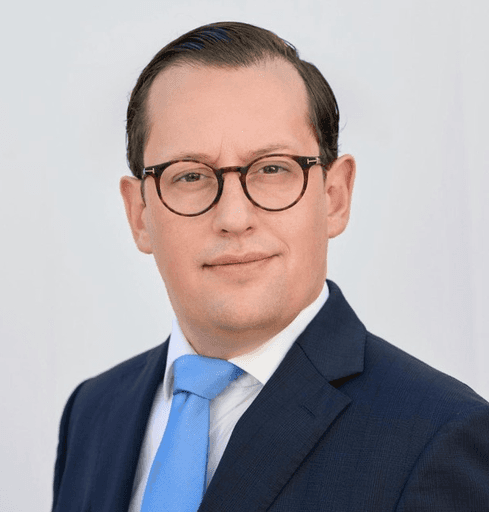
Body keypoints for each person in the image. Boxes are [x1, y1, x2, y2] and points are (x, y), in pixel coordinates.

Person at [52, 22, 489, 512]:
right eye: (190, 176)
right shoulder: (92, 412)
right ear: (139, 214)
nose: (234, 217)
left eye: (273, 168)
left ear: (335, 196)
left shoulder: (440, 437)